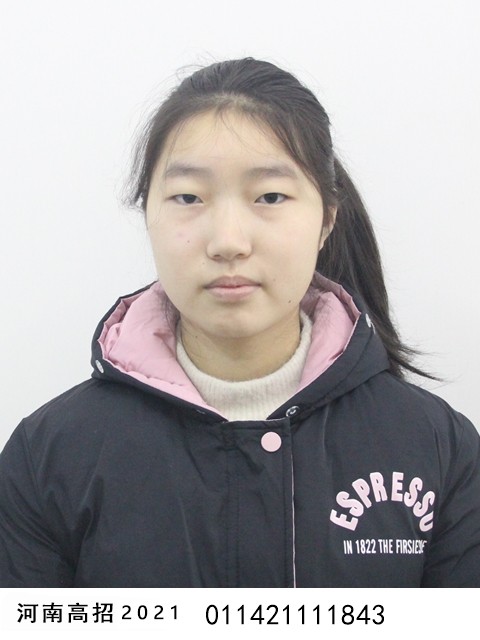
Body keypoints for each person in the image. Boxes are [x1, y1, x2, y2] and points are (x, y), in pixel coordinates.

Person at [1, 57, 479, 588]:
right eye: (188, 197)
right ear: (147, 213)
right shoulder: (47, 457)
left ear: (327, 219)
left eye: (270, 197)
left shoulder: (440, 448)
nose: (228, 241)